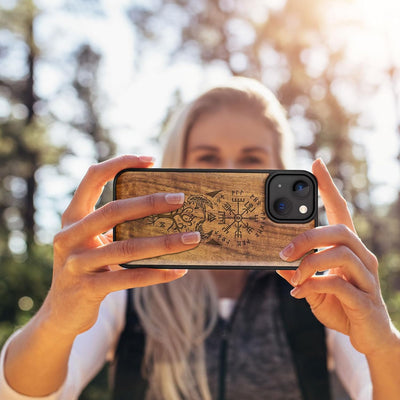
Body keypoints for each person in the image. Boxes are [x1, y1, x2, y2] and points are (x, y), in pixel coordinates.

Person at [1, 77, 400, 400]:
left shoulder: (318, 287)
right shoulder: (127, 283)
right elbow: (28, 395)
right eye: (208, 159)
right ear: (177, 167)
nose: (228, 176)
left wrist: (383, 345)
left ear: (279, 169)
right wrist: (57, 317)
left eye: (251, 160)